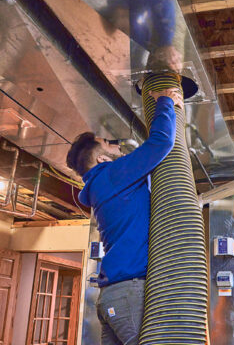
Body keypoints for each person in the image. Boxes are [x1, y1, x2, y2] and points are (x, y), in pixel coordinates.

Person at [66, 88, 183, 345]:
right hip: (129, 293)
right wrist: (166, 101)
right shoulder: (112, 174)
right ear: (102, 158)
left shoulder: (100, 186)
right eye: (109, 143)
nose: (116, 144)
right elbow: (162, 142)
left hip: (114, 296)